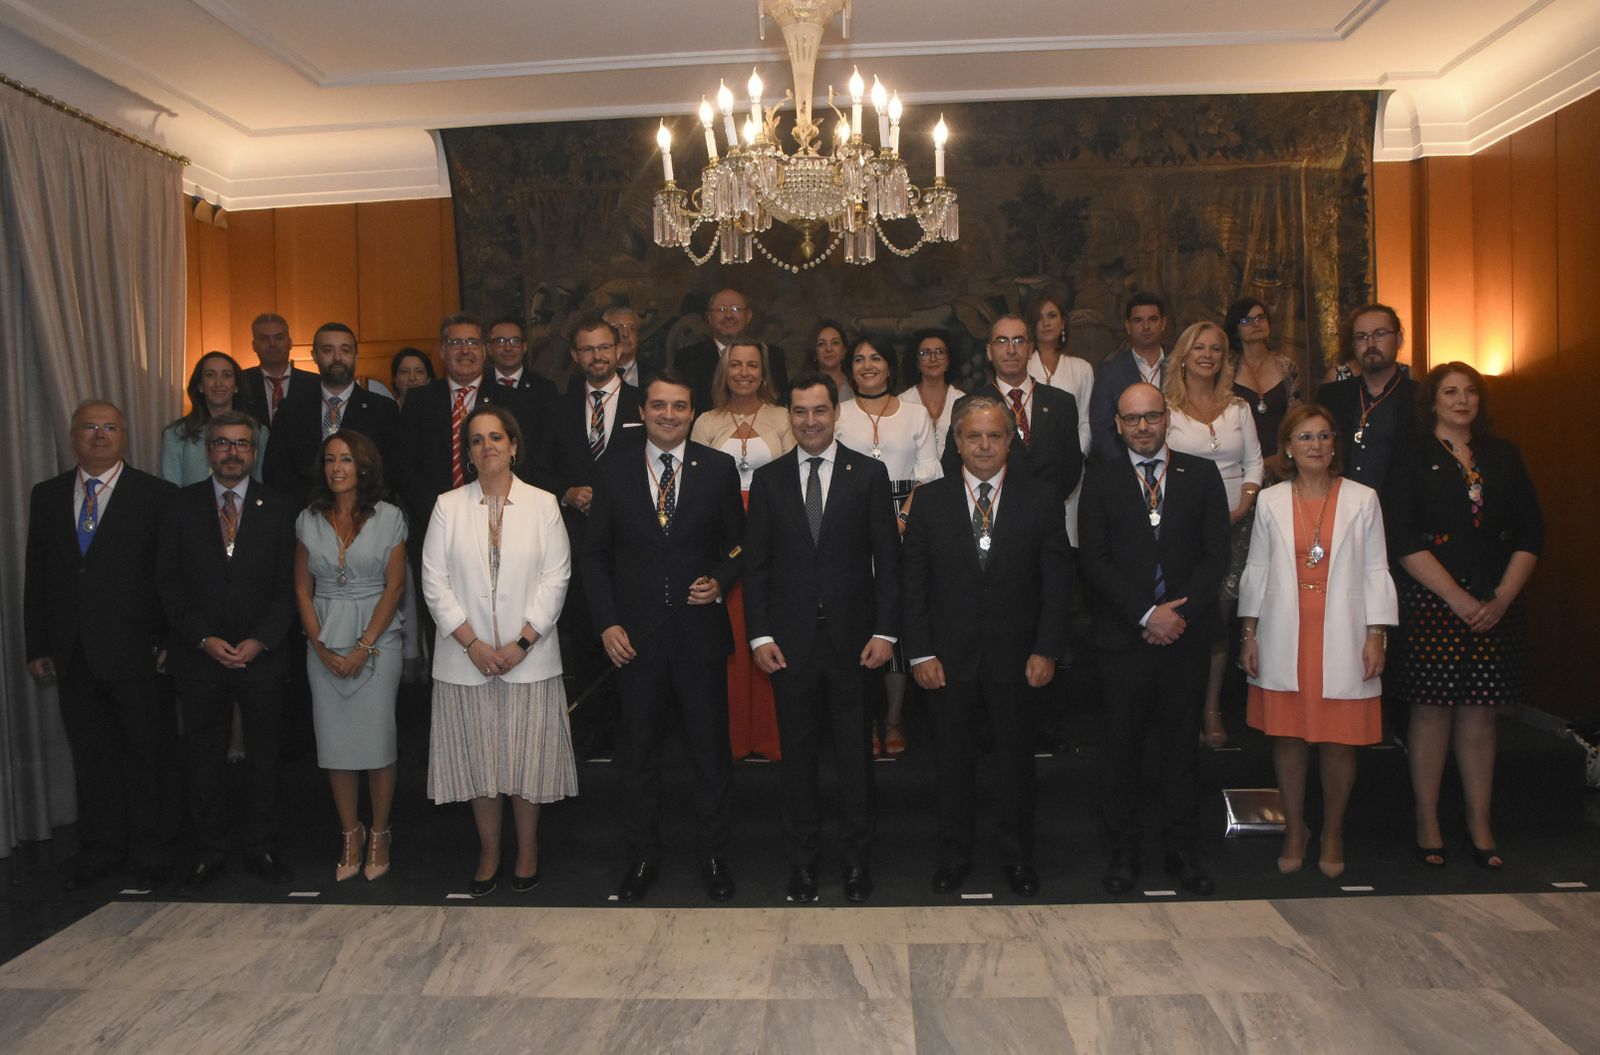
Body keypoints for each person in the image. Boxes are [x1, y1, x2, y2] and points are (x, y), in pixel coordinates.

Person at [582, 370, 745, 903]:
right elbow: (596, 556)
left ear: (692, 412)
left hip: (699, 637)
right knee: (639, 757)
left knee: (710, 755)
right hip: (634, 640)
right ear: (643, 411)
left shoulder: (718, 469)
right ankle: (642, 856)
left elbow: (741, 547)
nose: (668, 415)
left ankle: (717, 856)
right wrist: (607, 623)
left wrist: (720, 580)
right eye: (659, 406)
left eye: (679, 406)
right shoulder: (613, 470)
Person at [903, 396, 1070, 897]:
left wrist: (1047, 648)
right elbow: (914, 587)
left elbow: (1057, 583)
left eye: (994, 435)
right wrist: (920, 653)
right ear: (956, 442)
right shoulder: (928, 502)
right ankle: (955, 856)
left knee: (1016, 766)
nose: (983, 445)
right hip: (947, 661)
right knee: (952, 765)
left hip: (1018, 660)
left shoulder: (1041, 498)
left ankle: (1018, 859)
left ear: (1011, 440)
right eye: (973, 436)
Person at [744, 371, 899, 902]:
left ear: (837, 413)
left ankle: (856, 863)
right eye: (800, 412)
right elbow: (757, 567)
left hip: (856, 644)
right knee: (798, 763)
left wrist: (886, 631)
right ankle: (803, 865)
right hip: (789, 648)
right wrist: (759, 636)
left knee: (856, 761)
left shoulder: (869, 475)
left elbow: (889, 562)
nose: (810, 421)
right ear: (789, 416)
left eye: (820, 411)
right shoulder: (768, 480)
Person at [1386, 363, 1543, 870]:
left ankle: (1479, 821)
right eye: (1450, 392)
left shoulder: (1504, 455)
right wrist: (1455, 597)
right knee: (1430, 711)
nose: (1461, 400)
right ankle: (1427, 819)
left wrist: (1501, 598)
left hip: (1495, 603)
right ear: (1432, 400)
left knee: (1481, 713)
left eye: (1470, 391)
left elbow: (1530, 533)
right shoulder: (1411, 453)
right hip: (1433, 602)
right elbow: (1402, 536)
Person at [1079, 383, 1230, 896]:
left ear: (1167, 419)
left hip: (1185, 639)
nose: (1143, 428)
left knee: (1180, 753)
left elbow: (1216, 556)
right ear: (1117, 425)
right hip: (1124, 640)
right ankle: (1124, 855)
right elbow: (1093, 561)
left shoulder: (1201, 474)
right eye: (1132, 420)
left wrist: (1175, 616)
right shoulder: (1098, 480)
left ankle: (1181, 853)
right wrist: (1146, 614)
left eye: (1152, 417)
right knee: (1121, 753)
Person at [24, 400, 180, 892]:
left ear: (124, 436)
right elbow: (38, 575)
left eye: (109, 427)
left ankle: (152, 851)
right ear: (73, 435)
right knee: (92, 759)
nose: (99, 434)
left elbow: (169, 577)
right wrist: (38, 643)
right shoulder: (47, 495)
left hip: (138, 651)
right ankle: (101, 849)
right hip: (72, 653)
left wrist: (168, 639)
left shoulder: (156, 495)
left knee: (145, 755)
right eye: (89, 427)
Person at [422, 404, 576, 896]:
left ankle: (527, 849)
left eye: (496, 437)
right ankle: (490, 850)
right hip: (465, 661)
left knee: (526, 763)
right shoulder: (448, 505)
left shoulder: (544, 504)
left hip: (528, 658)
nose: (486, 446)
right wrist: (471, 644)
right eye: (476, 440)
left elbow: (557, 577)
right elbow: (433, 582)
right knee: (481, 764)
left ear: (513, 445)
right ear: (467, 453)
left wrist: (523, 642)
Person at [1239, 405, 1397, 878]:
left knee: (1338, 742)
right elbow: (1257, 569)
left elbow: (1376, 570)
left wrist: (1377, 635)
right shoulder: (1270, 501)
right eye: (1305, 437)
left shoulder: (1363, 498)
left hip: (1345, 633)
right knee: (1287, 738)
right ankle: (1295, 831)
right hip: (1285, 630)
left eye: (1324, 436)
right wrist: (1248, 632)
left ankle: (1331, 832)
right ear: (1287, 447)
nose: (1316, 445)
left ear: (1335, 445)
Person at [157, 410, 299, 892]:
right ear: (207, 451)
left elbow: (290, 585)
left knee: (264, 758)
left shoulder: (280, 507)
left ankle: (262, 846)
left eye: (241, 444)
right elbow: (168, 582)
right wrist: (202, 638)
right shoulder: (180, 506)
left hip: (262, 654)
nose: (232, 452)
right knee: (202, 758)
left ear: (254, 452)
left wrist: (261, 639)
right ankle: (209, 850)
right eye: (222, 444)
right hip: (200, 655)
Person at [293, 431, 408, 883]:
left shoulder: (391, 517)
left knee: (377, 741)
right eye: (329, 460)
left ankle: (380, 831)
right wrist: (319, 644)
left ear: (363, 466)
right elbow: (302, 587)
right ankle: (349, 832)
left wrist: (363, 647)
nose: (336, 468)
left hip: (379, 637)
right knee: (336, 745)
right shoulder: (307, 519)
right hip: (322, 637)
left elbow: (395, 586)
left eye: (345, 460)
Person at [540, 313, 643, 761]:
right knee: (584, 638)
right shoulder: (557, 408)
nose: (597, 356)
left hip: (634, 544)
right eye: (587, 349)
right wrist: (565, 492)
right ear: (575, 356)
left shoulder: (646, 403)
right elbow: (539, 468)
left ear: (619, 350)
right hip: (578, 544)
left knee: (634, 639)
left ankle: (634, 732)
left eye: (605, 347)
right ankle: (591, 734)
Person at [690, 339, 794, 761]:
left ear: (764, 372)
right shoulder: (705, 421)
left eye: (753, 365)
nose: (745, 373)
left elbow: (792, 479)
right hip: (722, 539)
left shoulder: (784, 417)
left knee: (769, 630)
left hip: (775, 534)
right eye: (736, 365)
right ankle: (732, 739)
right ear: (724, 372)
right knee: (731, 636)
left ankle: (770, 737)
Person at [1163, 321, 1264, 749]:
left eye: (1217, 349)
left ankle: (1211, 708)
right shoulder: (1165, 408)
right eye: (1199, 347)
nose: (1208, 354)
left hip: (1239, 526)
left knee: (1222, 616)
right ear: (1184, 355)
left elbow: (1257, 462)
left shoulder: (1238, 407)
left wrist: (1243, 502)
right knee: (1194, 612)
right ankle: (1179, 708)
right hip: (1186, 528)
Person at [838, 336, 940, 755]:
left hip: (907, 521)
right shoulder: (838, 413)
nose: (867, 365)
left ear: (890, 366)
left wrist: (901, 520)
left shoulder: (916, 414)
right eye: (859, 359)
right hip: (850, 524)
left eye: (875, 357)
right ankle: (862, 720)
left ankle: (895, 719)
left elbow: (929, 471)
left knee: (895, 621)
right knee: (859, 622)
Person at [263, 322, 399, 508]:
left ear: (355, 355)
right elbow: (275, 471)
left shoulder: (382, 409)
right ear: (315, 356)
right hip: (303, 515)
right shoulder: (291, 409)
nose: (337, 358)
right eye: (328, 350)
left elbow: (390, 470)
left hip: (364, 515)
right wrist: (315, 506)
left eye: (345, 350)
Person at [1319, 303, 1417, 494]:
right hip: (1341, 511)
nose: (1370, 344)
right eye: (1361, 337)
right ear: (1354, 345)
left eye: (1380, 334)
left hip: (1398, 514)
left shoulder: (1419, 399)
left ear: (1398, 339)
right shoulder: (1332, 396)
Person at [1025, 292, 1094, 540]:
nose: (1046, 323)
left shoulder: (1081, 368)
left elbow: (1086, 420)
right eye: (1039, 317)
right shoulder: (1023, 366)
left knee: (1066, 542)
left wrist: (1075, 457)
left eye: (1052, 315)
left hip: (1071, 473)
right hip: (1030, 471)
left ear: (1063, 322)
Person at [161, 352, 268, 485]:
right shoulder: (176, 434)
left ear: (236, 386)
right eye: (210, 375)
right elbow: (172, 491)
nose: (218, 383)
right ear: (200, 385)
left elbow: (259, 484)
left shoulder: (258, 432)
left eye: (227, 375)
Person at [675, 288, 788, 413]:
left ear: (748, 316)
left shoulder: (772, 356)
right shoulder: (687, 358)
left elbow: (778, 402)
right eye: (721, 310)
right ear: (709, 317)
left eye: (735, 309)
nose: (728, 316)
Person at [1088, 293, 1169, 463]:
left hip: (1177, 465)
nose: (1146, 326)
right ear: (1128, 326)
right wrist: (1128, 467)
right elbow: (1102, 431)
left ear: (1163, 323)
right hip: (1126, 468)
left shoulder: (1180, 366)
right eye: (1138, 320)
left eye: (1153, 319)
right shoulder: (1109, 372)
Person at [1223, 298, 1299, 460]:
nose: (1255, 324)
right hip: (1241, 461)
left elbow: (1297, 418)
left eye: (1260, 318)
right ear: (1236, 330)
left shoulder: (1287, 367)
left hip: (1283, 459)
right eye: (1246, 320)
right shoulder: (1226, 370)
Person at [240, 313, 315, 426]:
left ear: (290, 343)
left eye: (279, 338)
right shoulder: (241, 382)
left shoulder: (314, 383)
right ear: (254, 346)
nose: (272, 344)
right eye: (263, 339)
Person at [898, 328, 964, 453]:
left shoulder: (963, 401)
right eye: (925, 353)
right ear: (916, 363)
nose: (933, 358)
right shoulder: (901, 402)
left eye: (939, 352)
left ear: (948, 361)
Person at [487, 314, 561, 410]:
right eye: (500, 341)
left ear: (524, 347)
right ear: (489, 348)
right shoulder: (479, 386)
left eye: (515, 341)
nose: (508, 348)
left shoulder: (545, 389)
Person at [805, 319, 854, 403]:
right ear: (814, 351)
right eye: (821, 344)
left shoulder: (856, 384)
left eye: (835, 343)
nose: (829, 349)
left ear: (844, 350)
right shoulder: (803, 388)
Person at [604, 305, 645, 389]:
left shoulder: (655, 378)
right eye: (617, 328)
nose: (625, 334)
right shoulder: (588, 377)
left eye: (632, 328)